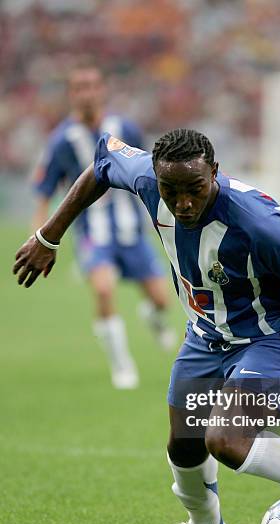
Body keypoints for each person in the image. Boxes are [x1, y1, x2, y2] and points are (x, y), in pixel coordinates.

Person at [14, 128, 280, 524]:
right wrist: (47, 237)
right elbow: (103, 163)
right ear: (156, 178)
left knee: (225, 439)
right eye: (171, 191)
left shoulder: (259, 225)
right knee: (184, 443)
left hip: (276, 334)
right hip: (207, 334)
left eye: (195, 190)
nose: (182, 203)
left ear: (215, 173)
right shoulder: (149, 178)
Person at [32, 62, 175, 389]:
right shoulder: (61, 141)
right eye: (79, 87)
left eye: (92, 86)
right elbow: (43, 192)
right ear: (71, 94)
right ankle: (121, 364)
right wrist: (39, 236)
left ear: (102, 90)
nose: (87, 93)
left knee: (162, 300)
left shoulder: (125, 127)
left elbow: (149, 171)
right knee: (104, 289)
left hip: (132, 233)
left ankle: (153, 318)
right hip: (92, 235)